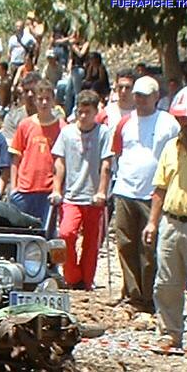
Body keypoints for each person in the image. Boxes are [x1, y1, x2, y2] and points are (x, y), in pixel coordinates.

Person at [111, 76, 180, 313]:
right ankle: (134, 295)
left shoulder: (168, 123)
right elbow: (118, 153)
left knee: (149, 247)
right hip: (125, 189)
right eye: (137, 95)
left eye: (145, 95)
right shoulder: (125, 123)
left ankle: (150, 296)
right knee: (125, 243)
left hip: (153, 191)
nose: (139, 99)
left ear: (156, 97)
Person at [142, 85, 187, 350]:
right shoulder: (171, 148)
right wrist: (152, 221)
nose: (186, 124)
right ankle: (171, 334)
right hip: (171, 223)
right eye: (182, 119)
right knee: (167, 283)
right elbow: (160, 188)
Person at [51, 90, 113, 290]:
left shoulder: (103, 133)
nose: (83, 116)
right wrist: (56, 189)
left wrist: (102, 191)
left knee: (92, 242)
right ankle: (73, 276)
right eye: (80, 111)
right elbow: (59, 162)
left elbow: (106, 165)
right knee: (66, 234)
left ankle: (86, 280)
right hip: (72, 195)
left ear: (96, 111)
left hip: (93, 196)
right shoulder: (67, 132)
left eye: (88, 112)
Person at [9, 79, 65, 229]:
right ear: (34, 101)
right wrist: (13, 187)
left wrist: (59, 188)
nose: (44, 103)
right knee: (21, 232)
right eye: (40, 99)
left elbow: (64, 161)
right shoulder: (25, 125)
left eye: (48, 99)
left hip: (48, 190)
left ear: (54, 100)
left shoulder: (62, 127)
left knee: (46, 234)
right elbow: (16, 157)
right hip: (25, 188)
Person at [1, 72, 63, 145]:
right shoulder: (12, 118)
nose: (29, 95)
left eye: (33, 91)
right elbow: (11, 146)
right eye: (26, 91)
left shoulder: (56, 118)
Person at [66, 31, 89, 116]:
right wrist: (69, 65)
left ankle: (75, 112)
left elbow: (81, 54)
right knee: (68, 90)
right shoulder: (73, 46)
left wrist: (74, 47)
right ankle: (67, 112)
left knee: (77, 92)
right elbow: (71, 57)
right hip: (73, 69)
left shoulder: (85, 44)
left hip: (80, 69)